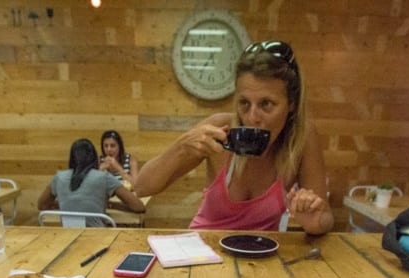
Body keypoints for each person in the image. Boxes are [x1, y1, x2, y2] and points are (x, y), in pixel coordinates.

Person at [134, 40, 333, 235]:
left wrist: (315, 223)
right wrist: (181, 147)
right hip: (206, 252)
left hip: (261, 257)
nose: (252, 118)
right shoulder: (220, 129)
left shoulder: (301, 138)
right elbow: (141, 187)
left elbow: (324, 218)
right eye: (244, 103)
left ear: (291, 104)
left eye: (266, 104)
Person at [37, 138, 145, 227]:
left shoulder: (59, 177)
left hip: (66, 236)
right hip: (98, 237)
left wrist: (66, 205)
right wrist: (112, 205)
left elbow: (42, 205)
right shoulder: (104, 177)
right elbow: (139, 207)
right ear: (94, 157)